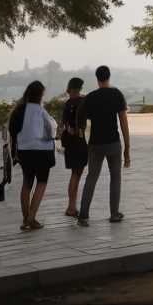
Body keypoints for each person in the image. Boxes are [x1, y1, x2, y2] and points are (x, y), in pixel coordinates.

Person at [76, 65, 130, 225]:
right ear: (109, 77)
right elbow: (123, 119)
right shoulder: (116, 94)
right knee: (115, 177)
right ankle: (114, 213)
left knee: (92, 177)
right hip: (113, 142)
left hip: (95, 144)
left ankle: (83, 215)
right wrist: (127, 146)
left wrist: (82, 136)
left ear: (97, 78)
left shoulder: (90, 97)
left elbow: (80, 116)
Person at [12, 81, 58, 231]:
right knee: (42, 182)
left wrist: (14, 152)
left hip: (25, 151)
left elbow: (13, 131)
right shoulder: (41, 111)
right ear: (41, 94)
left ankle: (26, 218)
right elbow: (51, 131)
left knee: (27, 183)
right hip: (43, 151)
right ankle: (31, 218)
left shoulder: (20, 109)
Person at [58, 76, 89, 218]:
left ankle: (71, 205)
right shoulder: (82, 102)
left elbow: (65, 124)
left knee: (74, 174)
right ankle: (71, 207)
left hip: (69, 140)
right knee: (77, 173)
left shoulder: (66, 104)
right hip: (78, 140)